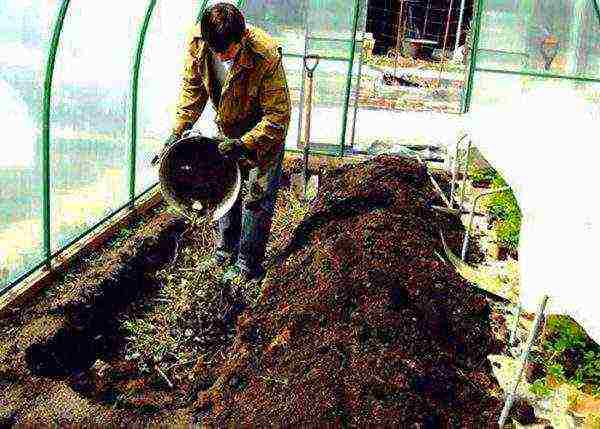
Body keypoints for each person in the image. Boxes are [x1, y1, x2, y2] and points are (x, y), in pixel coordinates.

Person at [153, 3, 291, 291]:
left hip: (263, 134)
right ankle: (224, 252)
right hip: (229, 129)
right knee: (225, 186)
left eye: (227, 51)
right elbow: (193, 89)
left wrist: (244, 144)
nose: (221, 56)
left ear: (242, 38)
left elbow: (277, 116)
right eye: (216, 51)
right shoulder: (200, 43)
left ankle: (247, 265)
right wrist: (178, 128)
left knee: (257, 195)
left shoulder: (264, 54)